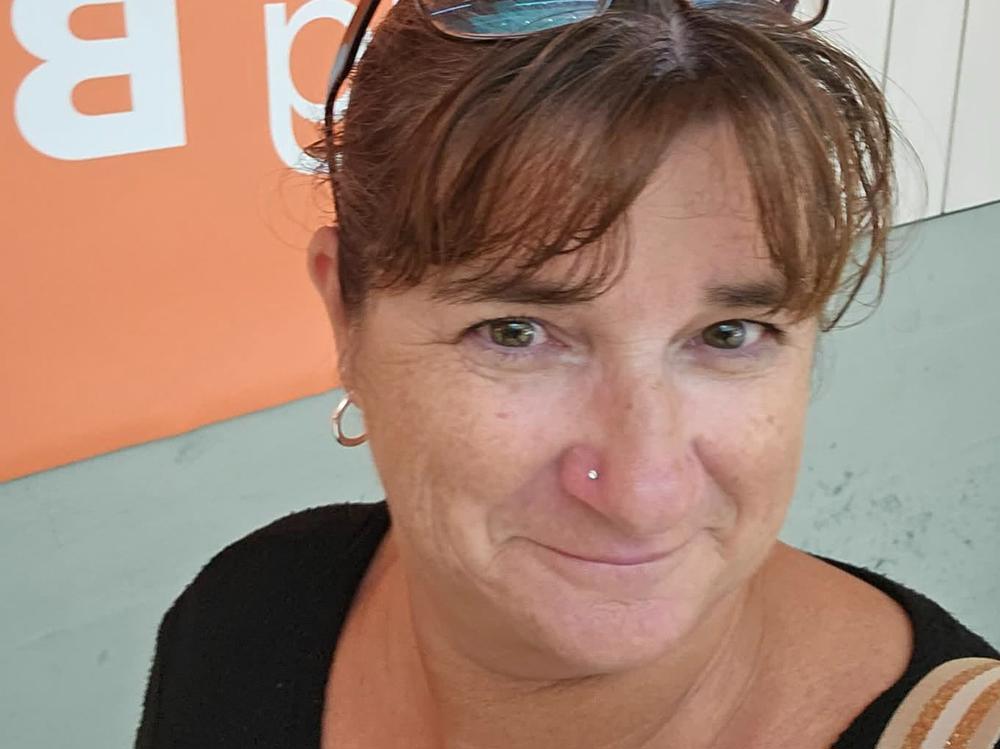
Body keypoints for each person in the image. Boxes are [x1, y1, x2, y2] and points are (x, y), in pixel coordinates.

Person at [135, 0, 1000, 747]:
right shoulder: (247, 615)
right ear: (346, 318)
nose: (642, 491)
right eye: (516, 333)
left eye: (728, 334)